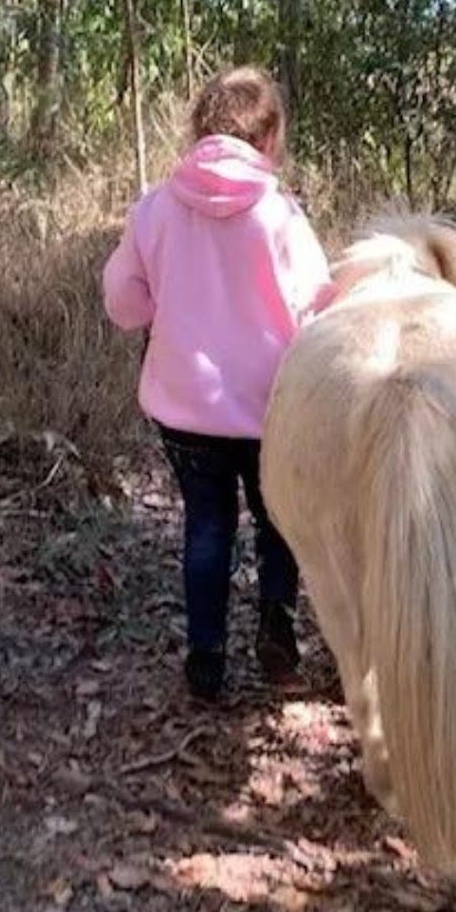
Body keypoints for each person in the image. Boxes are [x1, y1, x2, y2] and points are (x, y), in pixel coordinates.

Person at [102, 65, 331, 700]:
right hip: (271, 408)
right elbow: (317, 307)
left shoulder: (154, 209)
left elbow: (123, 304)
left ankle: (205, 657)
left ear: (199, 128)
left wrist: (165, 299)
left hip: (184, 408)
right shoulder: (280, 214)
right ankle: (277, 640)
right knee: (277, 520)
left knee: (207, 525)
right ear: (269, 137)